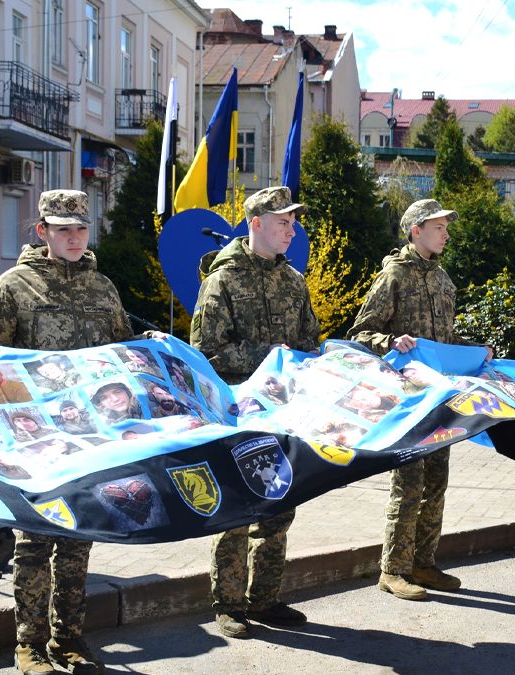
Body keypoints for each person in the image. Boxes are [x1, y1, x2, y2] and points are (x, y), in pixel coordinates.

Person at [0, 189, 147, 675]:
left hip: (92, 438)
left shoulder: (103, 288)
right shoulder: (16, 285)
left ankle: (69, 638)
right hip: (36, 439)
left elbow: (123, 349)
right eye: (63, 229)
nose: (74, 238)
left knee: (80, 535)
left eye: (81, 228)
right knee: (35, 541)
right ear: (42, 231)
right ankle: (29, 644)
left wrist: (152, 346)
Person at [190, 185, 319, 639]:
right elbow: (205, 353)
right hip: (238, 413)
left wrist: (304, 363)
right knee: (239, 509)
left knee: (280, 503)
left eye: (293, 221)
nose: (291, 229)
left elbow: (309, 345)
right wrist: (269, 356)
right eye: (282, 221)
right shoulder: (222, 280)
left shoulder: (293, 281)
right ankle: (229, 604)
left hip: (283, 413)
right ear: (256, 223)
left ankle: (266, 598)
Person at [347, 198, 488, 601]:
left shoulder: (443, 279)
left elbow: (443, 341)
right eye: (438, 227)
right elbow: (362, 332)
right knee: (408, 486)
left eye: (446, 227)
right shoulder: (394, 275)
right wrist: (390, 341)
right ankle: (393, 570)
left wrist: (474, 350)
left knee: (436, 483)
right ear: (415, 231)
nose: (446, 233)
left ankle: (424, 563)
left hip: (441, 401)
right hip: (408, 403)